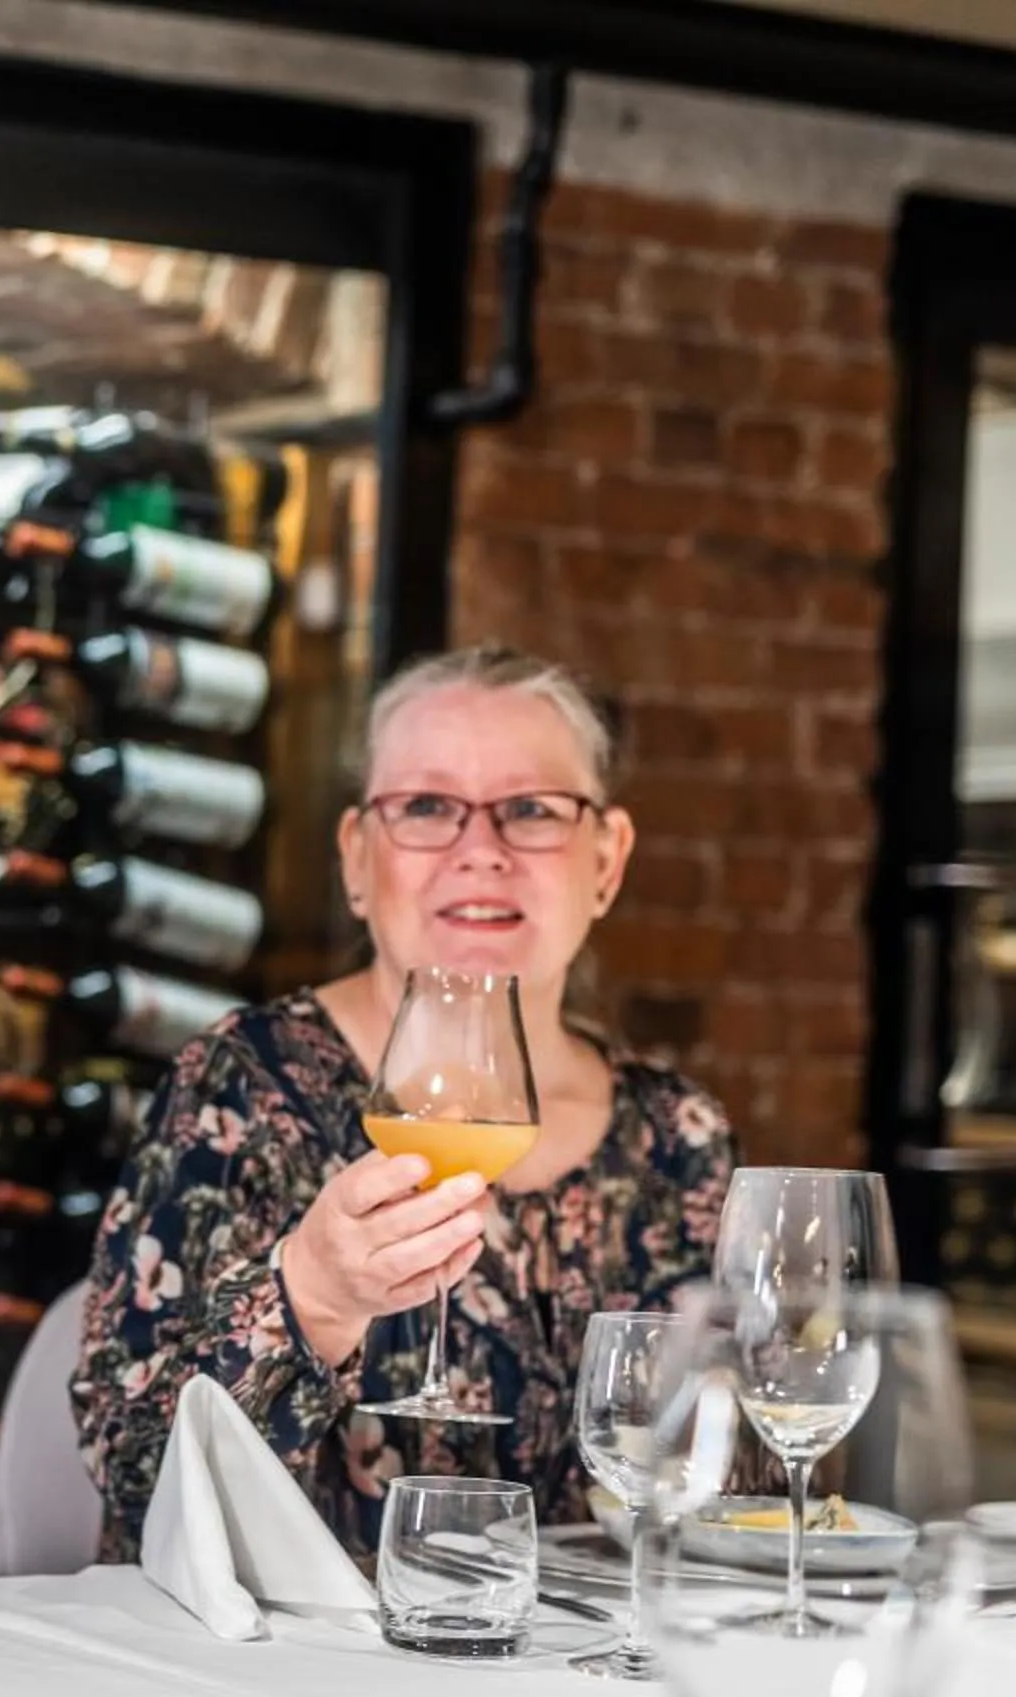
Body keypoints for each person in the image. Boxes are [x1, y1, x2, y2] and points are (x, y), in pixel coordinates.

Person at [71, 643, 735, 1559]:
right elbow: (137, 1476)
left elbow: (753, 1486)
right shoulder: (247, 1084)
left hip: (592, 1681)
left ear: (607, 860)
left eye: (532, 811)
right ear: (357, 857)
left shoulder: (680, 1137)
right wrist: (312, 1299)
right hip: (290, 1678)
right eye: (426, 808)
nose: (480, 852)